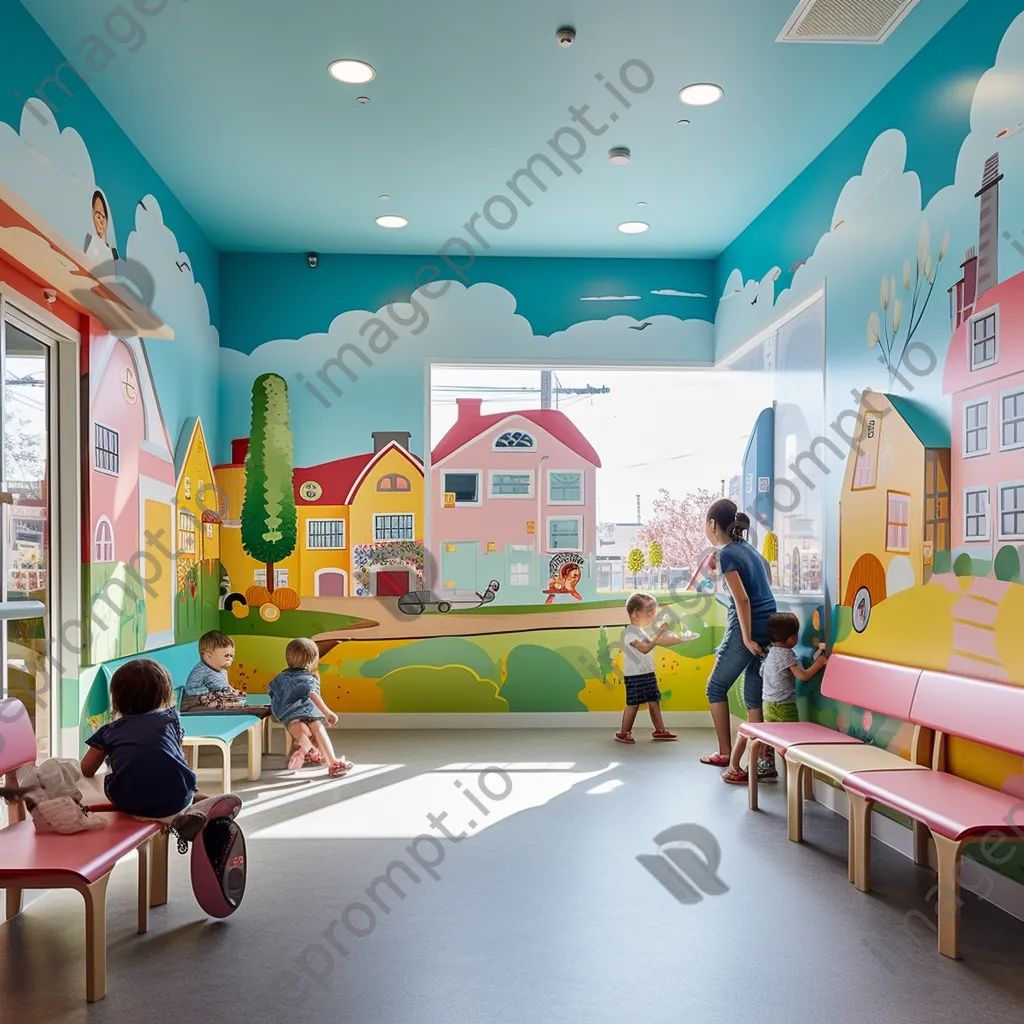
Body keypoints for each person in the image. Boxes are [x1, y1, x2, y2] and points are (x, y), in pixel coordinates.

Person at [699, 499, 777, 768]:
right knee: (753, 696)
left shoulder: (727, 554)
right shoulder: (750, 550)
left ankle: (724, 752)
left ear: (712, 524)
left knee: (715, 687)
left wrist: (745, 638)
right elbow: (757, 587)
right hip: (769, 625)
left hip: (750, 627)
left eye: (706, 524)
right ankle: (763, 759)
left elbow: (743, 600)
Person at [82, 660, 199, 821]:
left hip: (131, 804)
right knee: (177, 781)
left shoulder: (110, 731)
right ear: (165, 695)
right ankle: (196, 809)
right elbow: (176, 758)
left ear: (117, 700)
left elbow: (86, 769)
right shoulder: (170, 720)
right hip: (178, 801)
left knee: (110, 774)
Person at [721, 612, 828, 784]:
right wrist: (821, 662)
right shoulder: (787, 655)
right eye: (796, 635)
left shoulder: (770, 653)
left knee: (771, 740)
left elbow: (765, 673)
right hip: (785, 707)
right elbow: (803, 676)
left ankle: (764, 767)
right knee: (791, 745)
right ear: (790, 638)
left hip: (767, 705)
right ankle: (793, 780)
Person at [616, 592, 698, 744]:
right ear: (635, 613)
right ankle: (624, 732)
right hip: (635, 676)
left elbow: (661, 641)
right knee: (633, 704)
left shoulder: (640, 631)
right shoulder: (629, 632)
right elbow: (645, 648)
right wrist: (659, 631)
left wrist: (680, 640)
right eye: (649, 612)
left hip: (647, 672)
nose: (652, 616)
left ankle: (660, 730)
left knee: (654, 700)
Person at [268, 638, 353, 777]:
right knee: (317, 728)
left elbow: (272, 693)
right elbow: (313, 695)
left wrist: (279, 710)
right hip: (307, 710)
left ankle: (306, 749)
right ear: (312, 660)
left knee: (301, 731)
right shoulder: (308, 678)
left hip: (287, 714)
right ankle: (333, 763)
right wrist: (328, 713)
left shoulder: (281, 677)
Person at [180, 630, 246, 712]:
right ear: (208, 655)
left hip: (208, 698)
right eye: (226, 656)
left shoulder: (221, 670)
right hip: (193, 701)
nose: (230, 660)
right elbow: (220, 687)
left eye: (232, 656)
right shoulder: (206, 671)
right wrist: (233, 694)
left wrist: (233, 691)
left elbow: (225, 686)